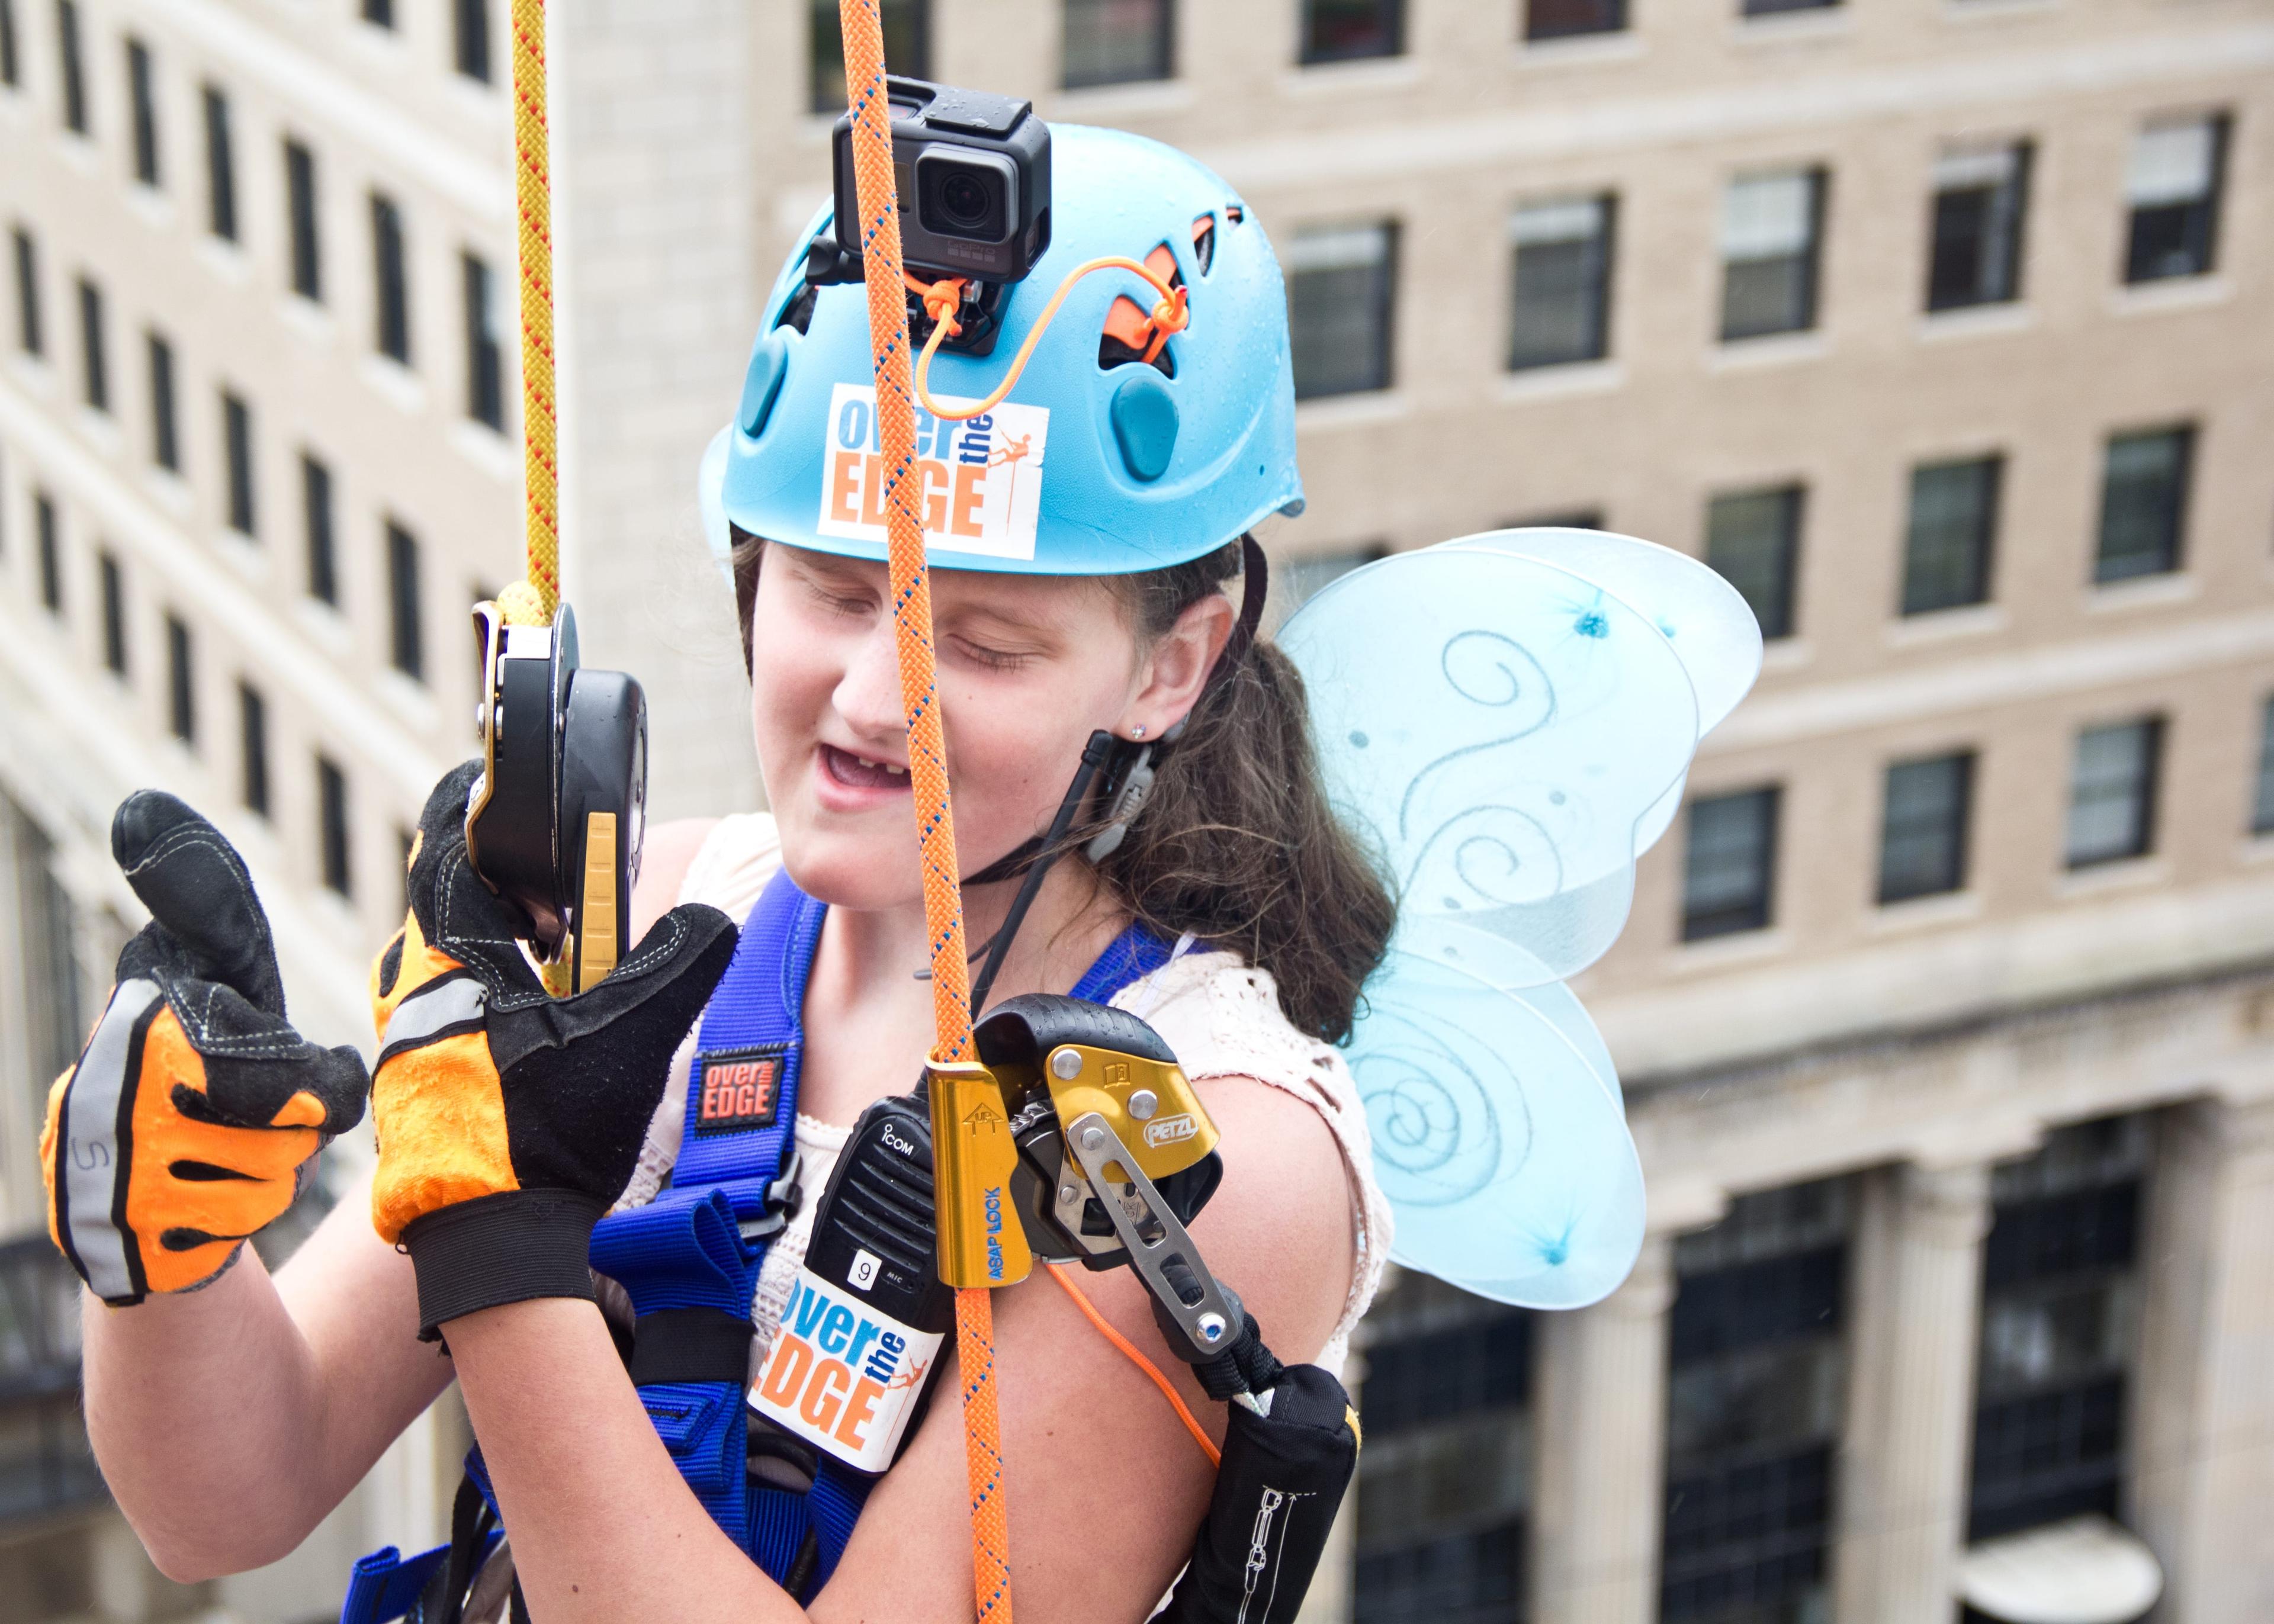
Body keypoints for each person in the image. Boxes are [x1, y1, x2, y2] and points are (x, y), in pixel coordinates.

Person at [53, 124, 1397, 1623]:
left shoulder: (1207, 1152)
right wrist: (168, 1236)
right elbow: (230, 1493)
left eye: (984, 643)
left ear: (1174, 667)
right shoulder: (673, 922)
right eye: (834, 591)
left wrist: (494, 1229)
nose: (876, 697)